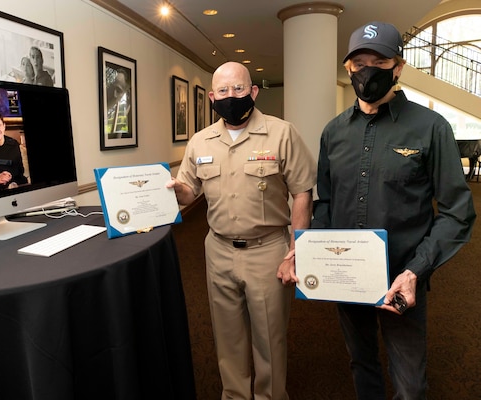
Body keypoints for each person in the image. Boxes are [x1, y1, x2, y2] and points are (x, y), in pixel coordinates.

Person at [311, 21, 476, 399]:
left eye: (378, 61)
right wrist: (310, 252)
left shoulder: (430, 128)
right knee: (361, 363)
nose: (366, 71)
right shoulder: (333, 133)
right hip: (346, 276)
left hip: (402, 277)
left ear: (397, 67)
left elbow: (457, 212)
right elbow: (327, 203)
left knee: (410, 383)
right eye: (358, 63)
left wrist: (416, 271)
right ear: (348, 69)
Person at [166, 61, 316, 400]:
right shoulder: (201, 141)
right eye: (223, 90)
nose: (231, 96)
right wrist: (176, 190)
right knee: (227, 336)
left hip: (268, 250)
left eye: (238, 88)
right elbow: (191, 192)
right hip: (217, 250)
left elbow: (302, 192)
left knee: (269, 338)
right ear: (212, 96)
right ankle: (234, 395)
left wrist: (297, 251)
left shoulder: (282, 133)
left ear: (253, 91)